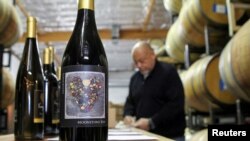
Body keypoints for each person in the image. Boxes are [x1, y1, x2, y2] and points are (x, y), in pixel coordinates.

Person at [123, 41, 186, 141]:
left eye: (142, 61)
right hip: (143, 136)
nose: (139, 65)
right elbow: (130, 101)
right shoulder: (135, 78)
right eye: (136, 62)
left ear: (153, 55)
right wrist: (128, 115)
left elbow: (176, 104)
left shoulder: (168, 73)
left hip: (169, 136)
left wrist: (152, 122)